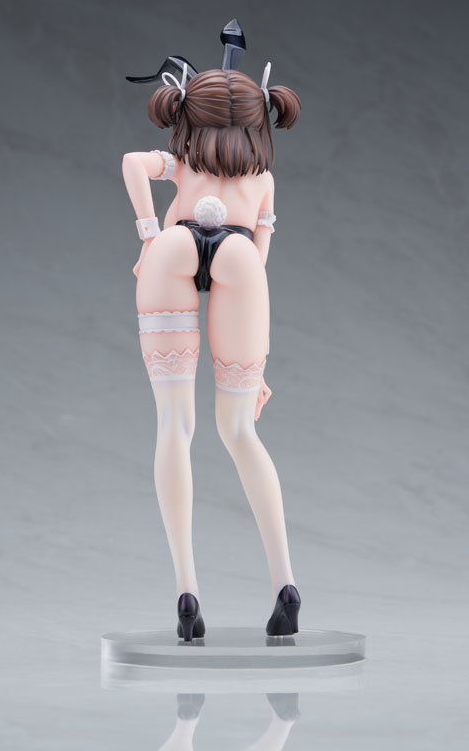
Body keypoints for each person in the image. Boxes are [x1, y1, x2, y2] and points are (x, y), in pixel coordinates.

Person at [122, 55, 302, 642]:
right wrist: (257, 360)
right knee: (240, 429)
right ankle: (285, 585)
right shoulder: (262, 178)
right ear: (261, 117)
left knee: (173, 423)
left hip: (172, 250)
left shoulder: (180, 162)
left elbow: (132, 163)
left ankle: (187, 591)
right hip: (241, 256)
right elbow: (261, 270)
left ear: (186, 112)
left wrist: (149, 236)